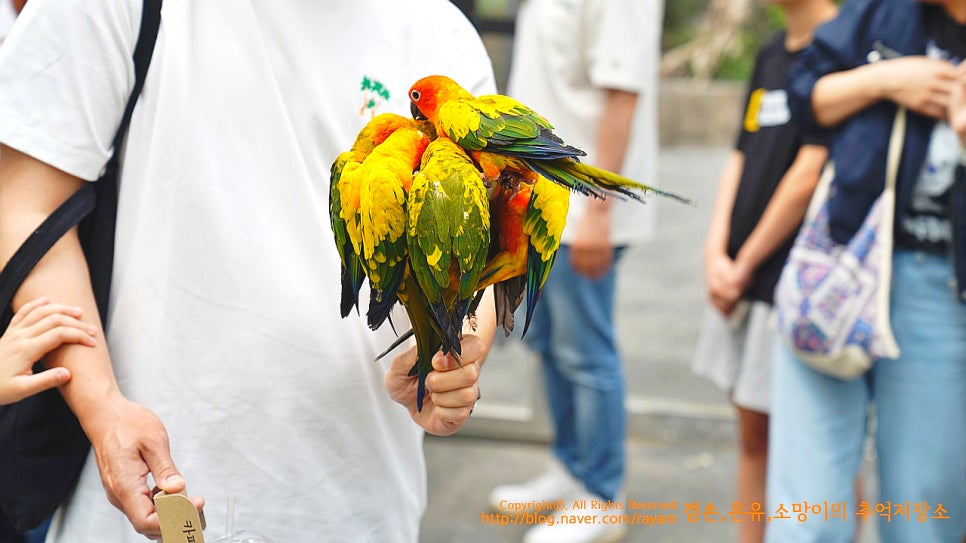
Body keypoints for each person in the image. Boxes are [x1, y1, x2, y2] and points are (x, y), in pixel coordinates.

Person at [0, 0, 496, 541]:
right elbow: (28, 202)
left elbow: (474, 251)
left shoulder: (439, 33)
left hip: (359, 496)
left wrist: (456, 354)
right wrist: (102, 409)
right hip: (150, 488)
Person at [767, 0, 966, 541]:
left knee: (924, 509)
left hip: (945, 290)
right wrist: (886, 79)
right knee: (805, 511)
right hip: (838, 263)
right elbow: (807, 94)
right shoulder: (882, 12)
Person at [486, 1, 663, 542]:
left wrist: (597, 212)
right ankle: (570, 470)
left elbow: (622, 93)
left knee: (585, 352)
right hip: (540, 202)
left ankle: (603, 496)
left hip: (582, 209)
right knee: (553, 346)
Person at [690, 1, 837, 542]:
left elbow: (810, 169)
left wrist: (744, 262)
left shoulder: (842, 46)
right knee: (752, 430)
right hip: (739, 277)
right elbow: (740, 153)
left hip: (790, 282)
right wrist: (715, 254)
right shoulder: (772, 52)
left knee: (817, 441)